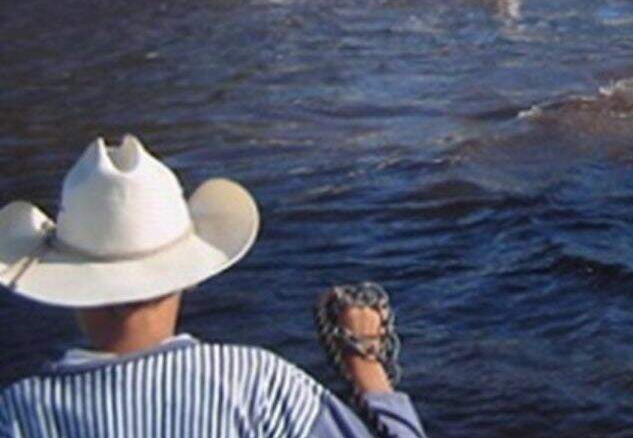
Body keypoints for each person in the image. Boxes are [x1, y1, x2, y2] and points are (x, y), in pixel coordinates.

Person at [0, 135, 426, 437]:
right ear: (188, 276)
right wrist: (364, 363)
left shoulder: (19, 412)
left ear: (65, 285)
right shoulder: (255, 382)